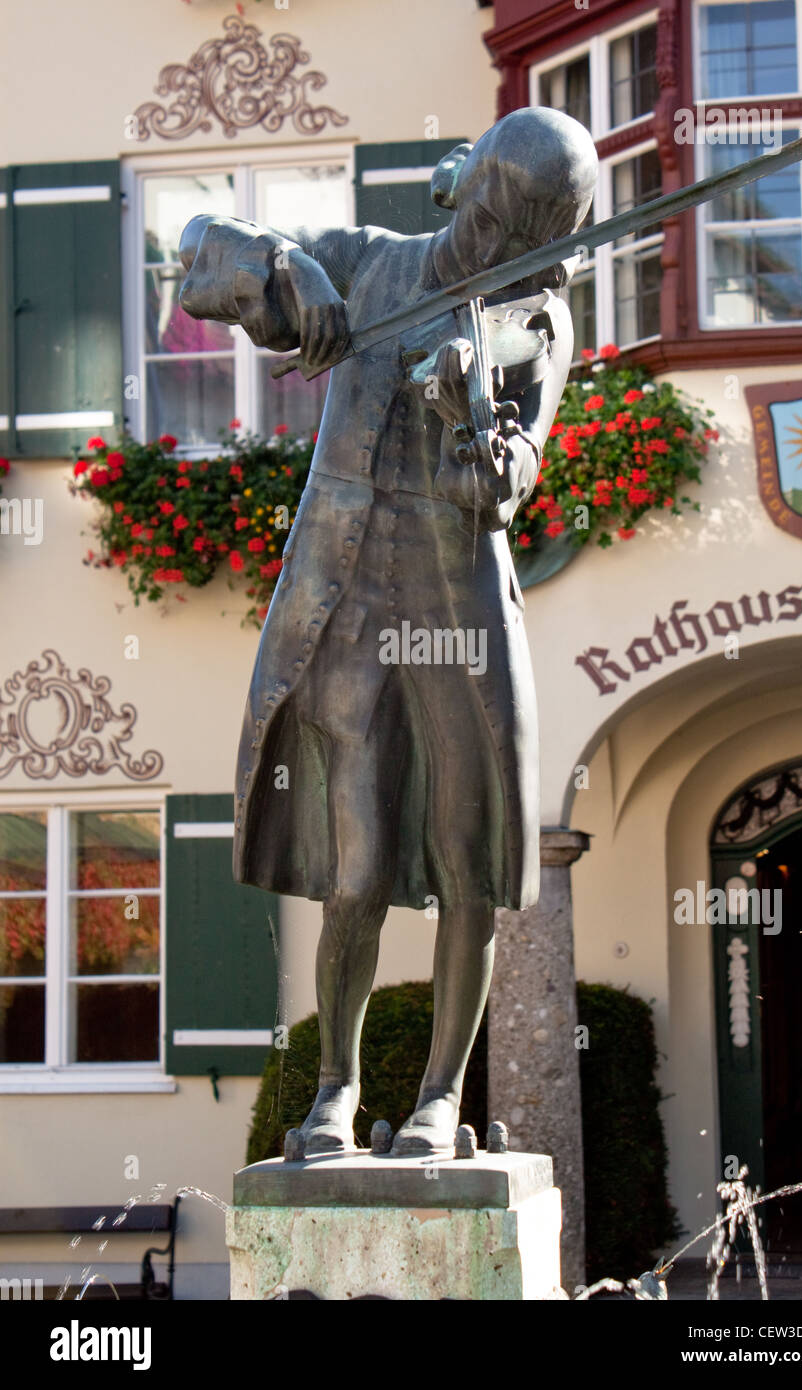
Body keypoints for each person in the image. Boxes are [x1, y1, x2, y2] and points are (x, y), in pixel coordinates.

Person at [179, 106, 597, 1156]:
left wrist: (470, 422)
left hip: (454, 609)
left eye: (536, 237)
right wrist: (289, 265)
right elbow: (194, 256)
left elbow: (506, 483)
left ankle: (438, 1101)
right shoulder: (366, 261)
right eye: (505, 225)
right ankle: (332, 1092)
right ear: (476, 195)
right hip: (345, 599)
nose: (509, 254)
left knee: (463, 856)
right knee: (356, 868)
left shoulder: (534, 321)